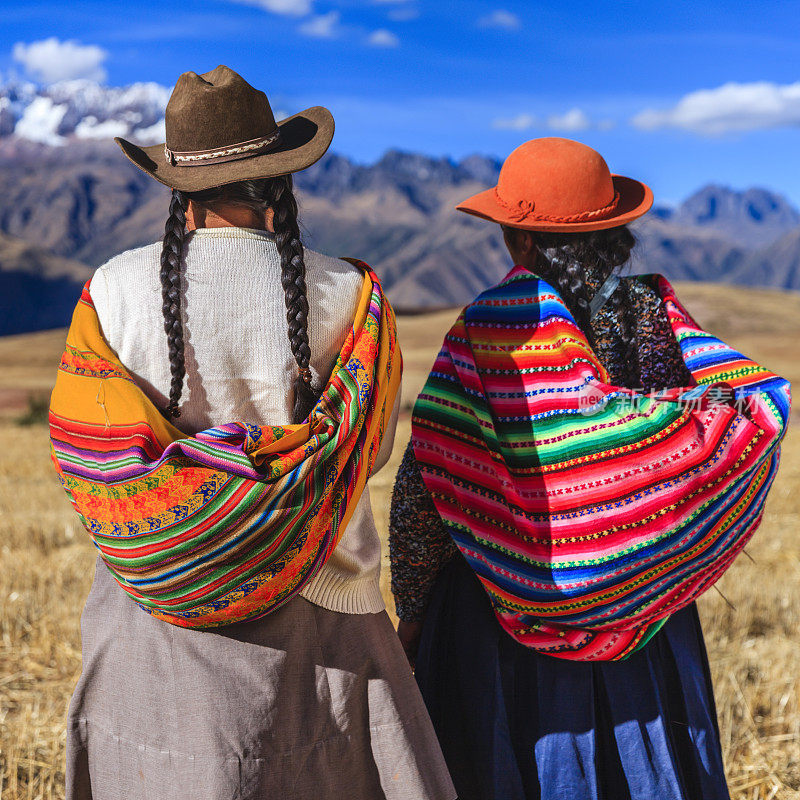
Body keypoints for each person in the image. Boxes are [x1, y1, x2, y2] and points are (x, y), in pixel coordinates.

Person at [52, 65, 455, 800]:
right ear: (280, 179)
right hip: (324, 615)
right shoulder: (352, 298)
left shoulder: (109, 290)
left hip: (151, 612)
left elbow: (87, 451)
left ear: (178, 184)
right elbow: (373, 452)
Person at [389, 137, 789, 800]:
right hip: (648, 627)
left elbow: (428, 477)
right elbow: (733, 405)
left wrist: (412, 615)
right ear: (615, 233)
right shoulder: (652, 314)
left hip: (495, 621)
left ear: (517, 240)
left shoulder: (489, 329)